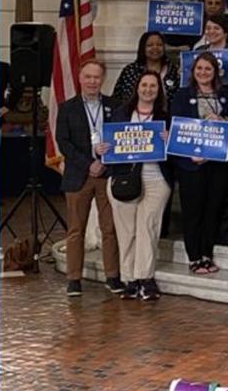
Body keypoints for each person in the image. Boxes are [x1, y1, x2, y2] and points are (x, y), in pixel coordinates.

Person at [55, 59, 123, 297]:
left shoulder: (115, 106)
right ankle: (74, 279)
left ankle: (113, 276)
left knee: (110, 228)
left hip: (107, 174)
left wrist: (103, 162)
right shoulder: (67, 108)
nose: (92, 81)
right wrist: (89, 163)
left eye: (96, 77)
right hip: (79, 175)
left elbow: (121, 137)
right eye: (88, 77)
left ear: (102, 79)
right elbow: (63, 142)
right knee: (76, 230)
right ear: (80, 78)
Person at [105, 70, 172, 301]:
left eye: (153, 86)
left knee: (148, 229)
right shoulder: (121, 113)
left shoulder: (166, 116)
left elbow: (174, 151)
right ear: (137, 88)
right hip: (124, 179)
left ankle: (146, 278)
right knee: (127, 232)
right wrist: (101, 149)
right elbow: (108, 143)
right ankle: (129, 279)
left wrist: (169, 140)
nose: (148, 90)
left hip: (156, 180)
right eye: (144, 85)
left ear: (159, 90)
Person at [170, 52, 228, 275]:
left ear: (215, 72)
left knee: (213, 209)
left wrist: (224, 120)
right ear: (193, 71)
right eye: (199, 69)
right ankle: (194, 257)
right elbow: (177, 129)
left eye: (208, 69)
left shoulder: (224, 95)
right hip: (192, 164)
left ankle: (207, 254)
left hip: (217, 164)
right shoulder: (181, 95)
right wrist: (191, 154)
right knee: (193, 211)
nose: (203, 73)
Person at [113, 31, 180, 106]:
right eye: (150, 45)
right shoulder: (130, 71)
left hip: (166, 116)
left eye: (159, 45)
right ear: (143, 48)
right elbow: (117, 99)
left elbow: (180, 99)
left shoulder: (173, 71)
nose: (155, 48)